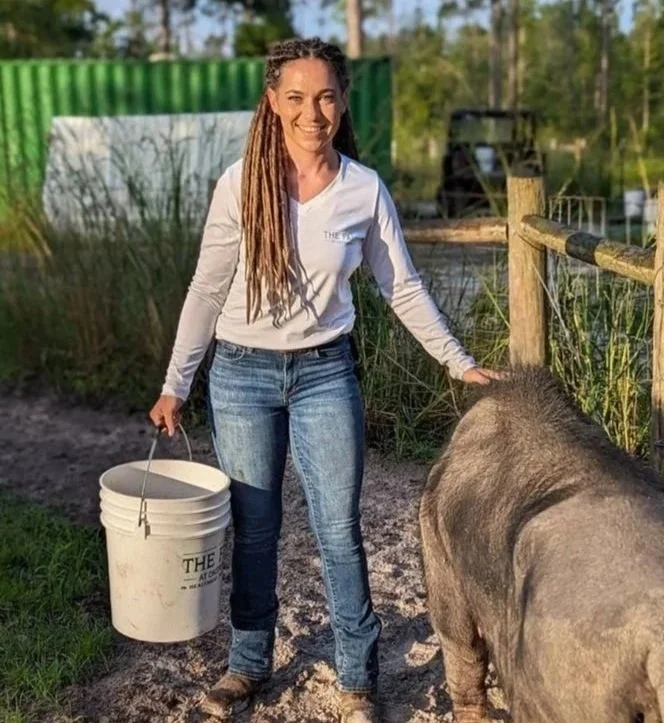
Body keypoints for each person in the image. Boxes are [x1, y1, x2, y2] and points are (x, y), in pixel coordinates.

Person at [149, 37, 500, 723]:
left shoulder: (363, 190)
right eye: (298, 97)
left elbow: (402, 287)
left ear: (343, 100)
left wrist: (457, 360)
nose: (315, 112)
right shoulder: (238, 183)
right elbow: (206, 287)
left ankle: (359, 678)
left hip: (324, 373)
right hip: (242, 375)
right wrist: (175, 382)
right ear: (273, 102)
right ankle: (248, 665)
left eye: (328, 96)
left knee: (338, 528)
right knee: (254, 529)